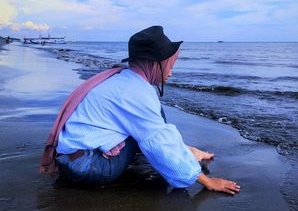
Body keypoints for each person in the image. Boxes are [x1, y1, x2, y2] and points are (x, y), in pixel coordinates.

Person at [40, 26, 240, 195]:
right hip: (88, 168)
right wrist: (207, 182)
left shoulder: (121, 78)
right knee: (152, 133)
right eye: (169, 64)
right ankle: (188, 153)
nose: (171, 71)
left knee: (149, 125)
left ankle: (188, 151)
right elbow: (160, 143)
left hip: (68, 159)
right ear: (155, 63)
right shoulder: (138, 92)